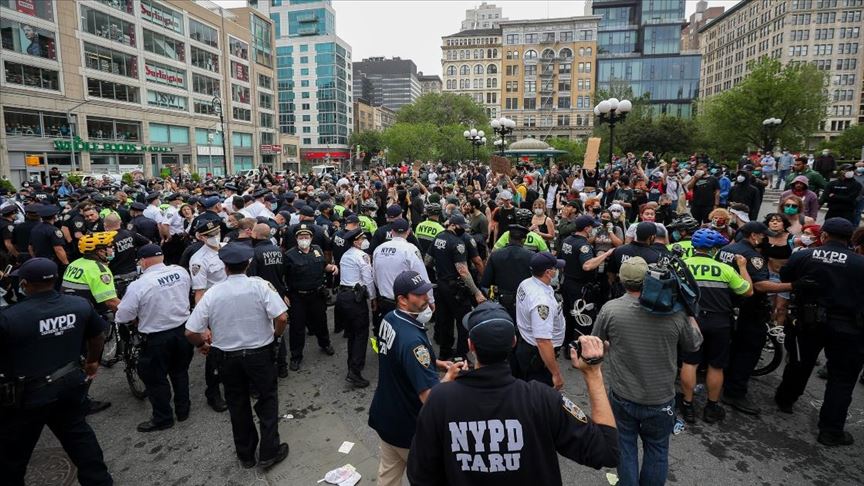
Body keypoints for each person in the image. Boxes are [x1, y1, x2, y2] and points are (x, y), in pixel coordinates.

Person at [407, 302, 619, 485]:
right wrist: (593, 373)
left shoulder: (440, 400)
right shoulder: (542, 399)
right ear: (513, 342)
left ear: (471, 345)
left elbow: (420, 475)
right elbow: (608, 450)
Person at [0, 258, 113, 486]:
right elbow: (97, 335)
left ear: (24, 284)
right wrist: (92, 362)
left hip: (27, 397)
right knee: (79, 436)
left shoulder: (10, 317)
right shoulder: (78, 305)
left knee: (13, 455)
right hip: (69, 385)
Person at [592, 256, 703, 485]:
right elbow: (694, 345)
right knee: (658, 450)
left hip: (623, 396)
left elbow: (595, 345)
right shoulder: (675, 312)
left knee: (625, 446)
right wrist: (689, 313)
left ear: (622, 281)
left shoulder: (611, 309)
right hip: (661, 399)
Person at [185, 243, 290, 469]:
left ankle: (246, 454)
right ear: (249, 264)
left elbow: (190, 331)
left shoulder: (213, 293)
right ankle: (269, 451)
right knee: (268, 399)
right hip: (260, 353)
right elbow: (281, 318)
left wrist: (202, 345)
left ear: (225, 267)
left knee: (237, 403)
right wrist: (276, 338)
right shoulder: (260, 286)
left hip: (227, 357)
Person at [775, 218, 864, 446]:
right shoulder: (859, 263)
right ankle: (831, 430)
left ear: (823, 235)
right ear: (849, 239)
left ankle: (786, 400)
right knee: (842, 379)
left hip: (807, 321)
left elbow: (785, 277)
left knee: (799, 363)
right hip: (849, 327)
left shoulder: (804, 255)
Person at [367, 271, 461, 486]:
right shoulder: (412, 341)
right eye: (419, 295)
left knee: (388, 476)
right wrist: (449, 376)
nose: (426, 298)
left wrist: (436, 364)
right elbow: (430, 398)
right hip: (408, 428)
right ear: (402, 299)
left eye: (426, 292)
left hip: (385, 416)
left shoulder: (390, 318)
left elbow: (399, 357)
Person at [115, 244, 193, 432]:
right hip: (183, 331)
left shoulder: (139, 284)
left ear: (143, 261)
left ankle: (163, 418)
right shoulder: (180, 272)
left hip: (157, 337)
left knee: (155, 380)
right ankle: (183, 409)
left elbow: (123, 315)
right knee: (180, 372)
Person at [716, 221, 792, 415]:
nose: (766, 239)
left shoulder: (726, 249)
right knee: (747, 351)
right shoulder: (753, 256)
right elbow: (759, 285)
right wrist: (792, 286)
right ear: (754, 236)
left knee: (732, 348)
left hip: (727, 305)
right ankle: (735, 392)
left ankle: (725, 381)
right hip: (749, 309)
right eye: (763, 236)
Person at [679, 229, 752, 424]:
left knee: (690, 362)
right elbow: (748, 291)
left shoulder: (682, 266)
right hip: (720, 322)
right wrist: (742, 267)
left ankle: (687, 405)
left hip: (692, 321)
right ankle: (711, 406)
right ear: (714, 250)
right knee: (716, 365)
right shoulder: (725, 269)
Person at [425, 214, 485, 360]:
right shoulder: (457, 244)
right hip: (455, 288)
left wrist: (440, 270)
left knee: (445, 321)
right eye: (461, 227)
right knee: (463, 321)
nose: (463, 230)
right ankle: (461, 356)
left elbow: (427, 261)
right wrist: (476, 292)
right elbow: (463, 271)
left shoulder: (438, 237)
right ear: (452, 225)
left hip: (441, 286)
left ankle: (444, 354)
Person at [284, 223, 338, 371]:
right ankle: (296, 356)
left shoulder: (317, 250)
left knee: (321, 321)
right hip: (298, 297)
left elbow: (323, 266)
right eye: (301, 237)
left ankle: (325, 343)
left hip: (316, 294)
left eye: (306, 237)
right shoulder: (289, 255)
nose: (304, 239)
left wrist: (332, 267)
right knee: (297, 327)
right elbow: (284, 277)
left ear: (311, 238)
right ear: (296, 238)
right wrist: (285, 294)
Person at [189, 220, 228, 412]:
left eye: (217, 232)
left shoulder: (227, 248)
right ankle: (213, 393)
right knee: (215, 353)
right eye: (210, 234)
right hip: (215, 309)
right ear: (201, 237)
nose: (215, 237)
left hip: (234, 305)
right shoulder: (198, 259)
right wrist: (203, 325)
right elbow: (199, 293)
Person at [513, 252, 567, 389]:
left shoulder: (526, 283)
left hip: (525, 343)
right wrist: (556, 373)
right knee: (538, 395)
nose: (558, 272)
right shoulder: (541, 302)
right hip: (536, 354)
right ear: (548, 272)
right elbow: (543, 341)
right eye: (556, 269)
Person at [560, 216, 615, 344]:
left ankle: (567, 344)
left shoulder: (567, 240)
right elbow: (587, 265)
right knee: (581, 317)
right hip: (580, 287)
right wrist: (606, 254)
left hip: (567, 282)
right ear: (586, 228)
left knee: (568, 315)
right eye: (592, 227)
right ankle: (579, 347)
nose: (593, 230)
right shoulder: (584, 246)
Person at [372, 218, 431, 333]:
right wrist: (430, 299)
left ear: (392, 232)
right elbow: (421, 277)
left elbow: (374, 276)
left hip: (384, 302)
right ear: (408, 232)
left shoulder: (378, 249)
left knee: (387, 334)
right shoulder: (411, 249)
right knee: (407, 335)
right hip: (404, 304)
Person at [246, 223, 290, 377]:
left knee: (263, 332)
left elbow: (251, 279)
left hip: (260, 299)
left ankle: (268, 365)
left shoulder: (254, 253)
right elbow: (284, 274)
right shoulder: (279, 251)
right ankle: (282, 365)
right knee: (279, 331)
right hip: (277, 295)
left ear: (255, 235)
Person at [335, 228, 375, 388]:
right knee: (360, 334)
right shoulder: (361, 256)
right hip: (355, 298)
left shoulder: (346, 255)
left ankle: (352, 364)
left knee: (352, 334)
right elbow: (368, 279)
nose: (364, 241)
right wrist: (373, 298)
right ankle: (355, 372)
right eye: (362, 238)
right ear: (356, 241)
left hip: (343, 297)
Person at [480, 224, 534, 321]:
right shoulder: (531, 256)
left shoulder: (496, 255)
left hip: (502, 301)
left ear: (508, 238)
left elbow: (485, 283)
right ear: (524, 240)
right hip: (525, 300)